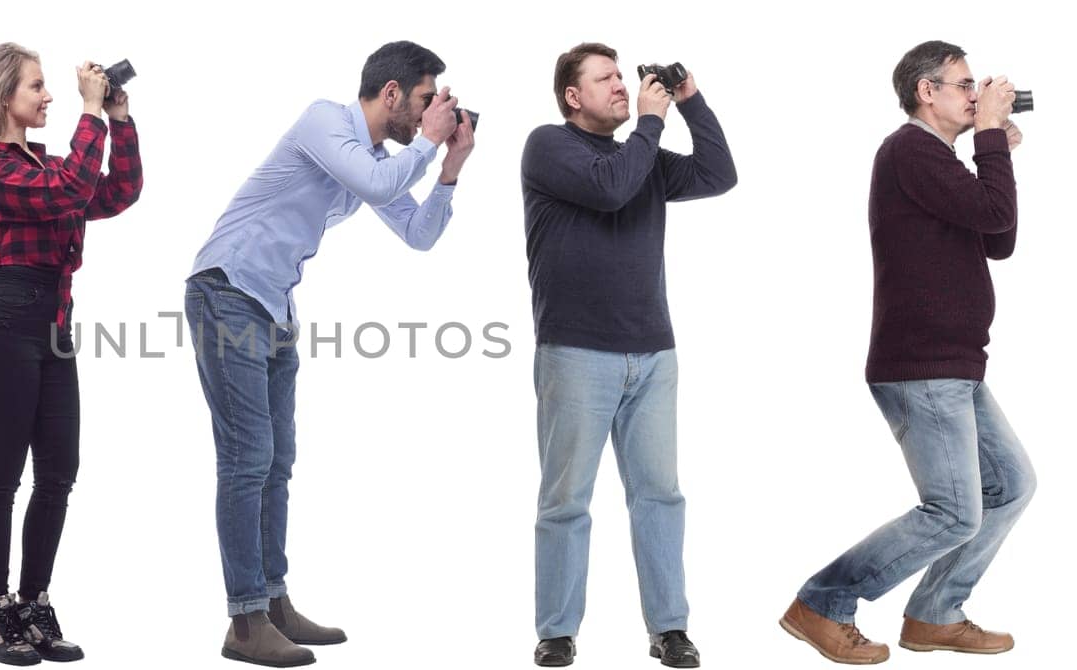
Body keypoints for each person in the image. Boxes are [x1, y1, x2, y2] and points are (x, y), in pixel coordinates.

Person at [185, 40, 474, 667]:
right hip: (226, 292)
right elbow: (376, 182)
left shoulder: (373, 157)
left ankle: (274, 603)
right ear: (391, 93)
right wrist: (427, 144)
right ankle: (244, 621)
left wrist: (449, 167)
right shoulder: (325, 121)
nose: (432, 114)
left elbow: (419, 234)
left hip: (274, 309)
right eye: (426, 101)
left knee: (278, 460)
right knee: (247, 458)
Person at [779, 40, 1033, 665]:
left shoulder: (939, 161)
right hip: (922, 364)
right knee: (952, 512)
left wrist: (993, 147)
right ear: (928, 91)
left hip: (958, 364)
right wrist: (992, 139)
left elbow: (999, 237)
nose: (977, 95)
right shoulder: (908, 150)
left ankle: (935, 614)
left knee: (1013, 485)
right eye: (965, 84)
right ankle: (823, 602)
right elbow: (995, 211)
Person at [520, 42, 736, 668]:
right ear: (572, 96)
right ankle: (557, 631)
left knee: (659, 496)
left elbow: (719, 174)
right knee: (566, 499)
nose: (621, 85)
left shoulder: (640, 155)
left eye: (623, 77)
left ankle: (670, 628)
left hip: (653, 354)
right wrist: (650, 120)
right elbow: (611, 190)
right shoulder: (548, 146)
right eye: (606, 78)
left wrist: (690, 100)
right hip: (576, 353)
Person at [0, 42, 142, 666]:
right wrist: (91, 112)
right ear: (2, 94)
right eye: (36, 86)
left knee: (59, 471)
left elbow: (118, 191)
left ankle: (33, 605)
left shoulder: (51, 164)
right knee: (2, 474)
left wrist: (117, 117)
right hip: (5, 317)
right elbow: (65, 193)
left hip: (55, 322)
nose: (49, 96)